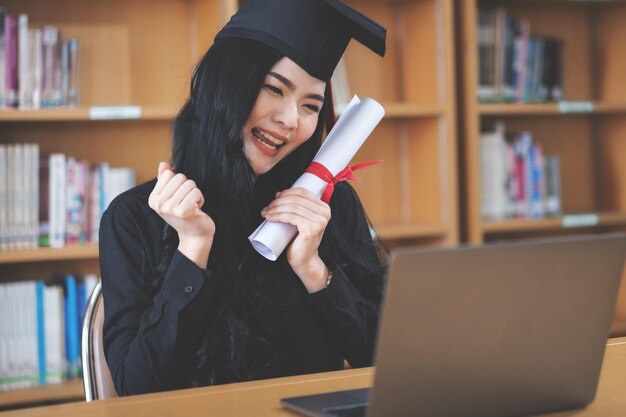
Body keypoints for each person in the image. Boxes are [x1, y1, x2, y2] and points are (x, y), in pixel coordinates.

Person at [99, 0, 388, 396]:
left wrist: (314, 270)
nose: (290, 119)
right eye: (274, 88)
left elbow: (383, 360)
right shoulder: (135, 218)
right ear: (226, 83)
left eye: (310, 106)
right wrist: (193, 250)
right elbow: (138, 388)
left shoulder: (330, 208)